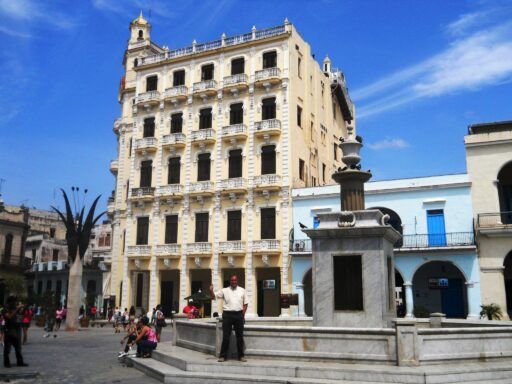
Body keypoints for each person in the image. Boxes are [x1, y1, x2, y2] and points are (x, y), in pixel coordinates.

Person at [209, 275, 248, 362]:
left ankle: (241, 356)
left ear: (237, 281)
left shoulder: (242, 290)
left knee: (239, 336)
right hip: (227, 314)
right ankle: (223, 356)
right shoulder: (224, 290)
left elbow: (245, 304)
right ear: (230, 281)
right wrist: (211, 290)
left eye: (235, 280)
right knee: (226, 336)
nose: (233, 282)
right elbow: (213, 297)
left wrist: (242, 315)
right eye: (232, 280)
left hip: (239, 314)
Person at [2, 296, 28, 368]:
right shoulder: (4, 309)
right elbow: (9, 317)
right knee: (7, 348)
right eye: (14, 302)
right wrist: (17, 309)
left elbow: (20, 316)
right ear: (10, 302)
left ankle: (20, 362)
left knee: (18, 347)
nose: (15, 303)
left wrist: (21, 309)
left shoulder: (14, 308)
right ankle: (6, 363)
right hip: (9, 330)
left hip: (16, 330)